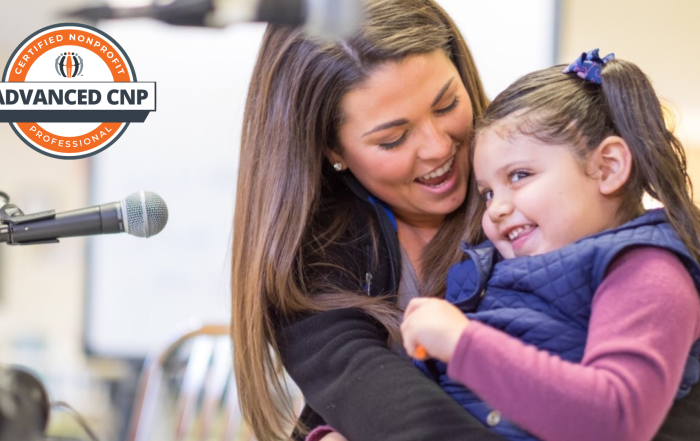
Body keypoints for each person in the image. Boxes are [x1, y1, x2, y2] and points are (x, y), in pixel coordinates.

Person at [229, 0, 700, 438]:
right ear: (333, 150)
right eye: (393, 139)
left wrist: (463, 343)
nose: (437, 148)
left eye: (447, 105)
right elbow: (379, 406)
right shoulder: (311, 263)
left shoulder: (583, 230)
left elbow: (641, 407)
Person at [399, 50, 700, 441]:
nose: (497, 210)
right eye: (488, 193)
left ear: (608, 167)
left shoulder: (648, 269)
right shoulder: (490, 273)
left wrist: (462, 343)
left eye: (520, 175)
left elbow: (617, 419)